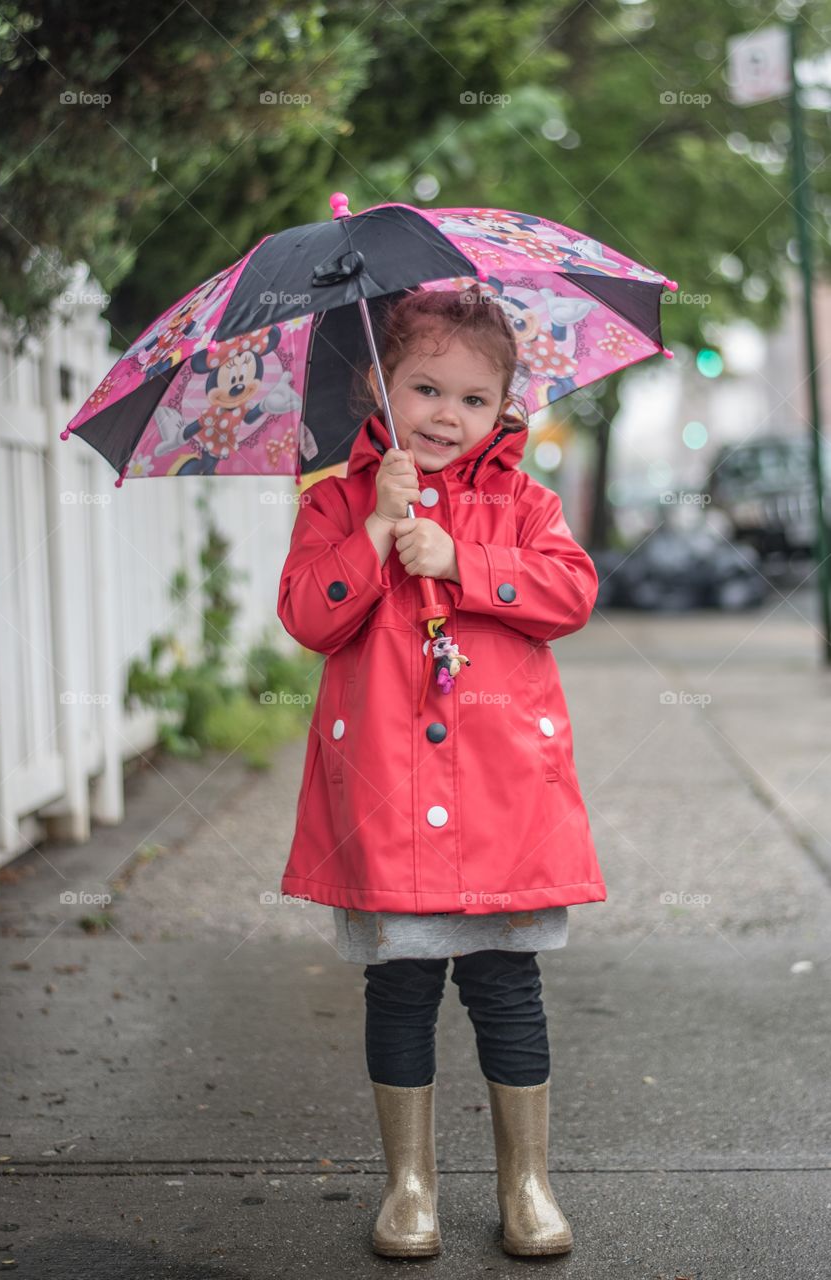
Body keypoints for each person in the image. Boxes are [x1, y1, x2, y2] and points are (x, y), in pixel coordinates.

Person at [276, 287, 607, 1259]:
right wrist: (377, 530)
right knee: (401, 984)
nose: (446, 415)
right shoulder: (335, 500)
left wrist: (463, 558)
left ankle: (525, 1181)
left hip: (502, 799)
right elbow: (308, 616)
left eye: (473, 398)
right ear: (377, 385)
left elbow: (570, 592)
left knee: (506, 985)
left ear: (503, 406)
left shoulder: (525, 502)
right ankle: (408, 1185)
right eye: (424, 388)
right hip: (384, 800)